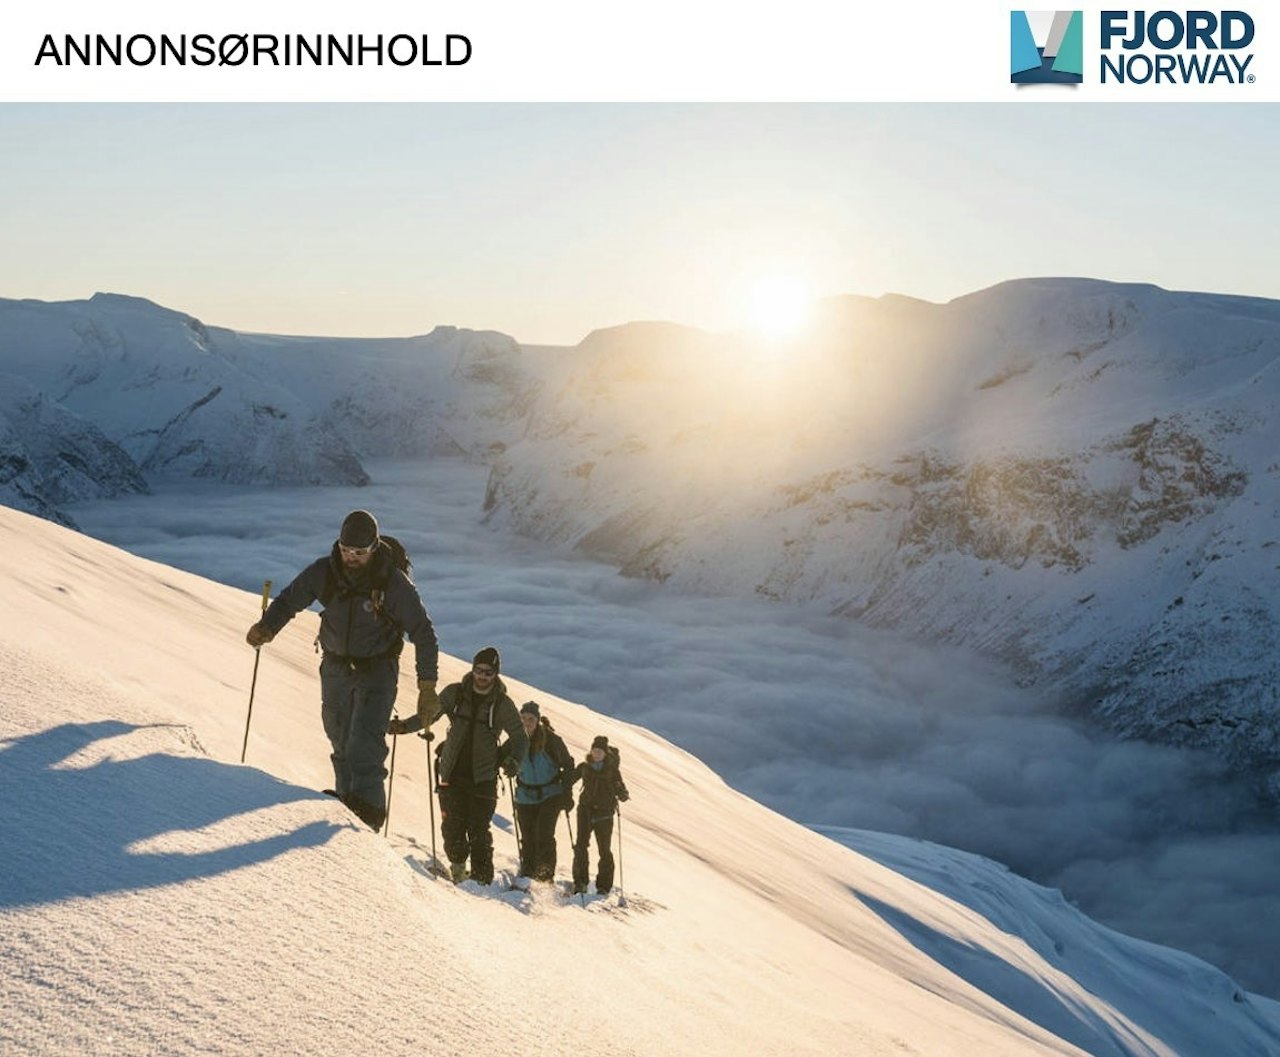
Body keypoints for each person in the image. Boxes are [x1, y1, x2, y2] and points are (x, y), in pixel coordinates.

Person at [245, 509, 439, 832]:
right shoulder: (325, 572)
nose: (350, 557)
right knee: (338, 734)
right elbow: (291, 599)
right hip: (335, 666)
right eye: (346, 549)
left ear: (374, 548)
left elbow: (423, 632)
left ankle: (369, 817)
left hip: (377, 669)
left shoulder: (392, 583)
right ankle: (346, 803)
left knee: (364, 744)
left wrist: (427, 686)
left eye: (359, 553)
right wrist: (267, 627)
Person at [388, 647, 527, 884]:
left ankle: (482, 881)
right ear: (472, 669)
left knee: (479, 830)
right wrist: (403, 727)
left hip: (483, 776)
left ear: (496, 674)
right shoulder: (455, 693)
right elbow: (429, 716)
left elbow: (520, 737)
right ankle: (459, 872)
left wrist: (512, 760)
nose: (482, 676)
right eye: (479, 670)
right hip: (451, 771)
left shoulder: (502, 704)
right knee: (451, 827)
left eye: (488, 672)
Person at [512, 701, 575, 882]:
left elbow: (568, 765)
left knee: (544, 834)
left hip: (551, 794)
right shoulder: (516, 739)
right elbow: (502, 757)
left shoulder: (551, 740)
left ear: (538, 721)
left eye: (530, 718)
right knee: (528, 835)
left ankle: (545, 876)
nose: (526, 722)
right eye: (523, 718)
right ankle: (528, 872)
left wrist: (567, 793)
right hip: (525, 795)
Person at [569, 735, 630, 896]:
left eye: (599, 751)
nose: (596, 754)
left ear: (605, 753)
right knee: (581, 847)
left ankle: (603, 886)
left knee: (604, 850)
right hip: (586, 811)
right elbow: (569, 780)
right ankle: (580, 883)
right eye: (594, 750)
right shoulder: (585, 767)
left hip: (604, 813)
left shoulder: (612, 770)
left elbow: (620, 787)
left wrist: (622, 793)